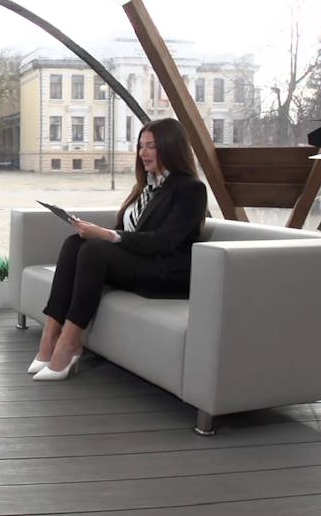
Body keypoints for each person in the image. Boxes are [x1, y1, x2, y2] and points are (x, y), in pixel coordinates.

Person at [30, 117, 207, 382]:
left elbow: (164, 241)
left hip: (165, 271)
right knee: (74, 243)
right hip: (139, 261)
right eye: (141, 146)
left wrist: (107, 235)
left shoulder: (191, 189)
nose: (142, 153)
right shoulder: (146, 186)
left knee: (94, 251)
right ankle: (49, 337)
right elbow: (128, 230)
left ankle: (70, 343)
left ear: (171, 147)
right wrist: (94, 232)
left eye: (151, 146)